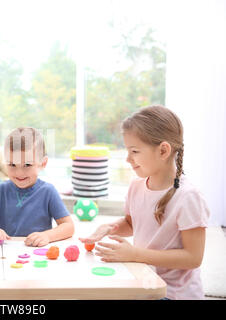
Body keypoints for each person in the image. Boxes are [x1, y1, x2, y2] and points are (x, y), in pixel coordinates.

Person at [79, 105, 210, 300]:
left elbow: (193, 258)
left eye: (135, 151)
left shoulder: (188, 197)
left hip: (173, 294)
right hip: (144, 281)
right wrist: (109, 227)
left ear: (163, 150)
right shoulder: (136, 186)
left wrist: (135, 254)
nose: (128, 159)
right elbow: (133, 223)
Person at [0, 127, 74, 247]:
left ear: (43, 163)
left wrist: (47, 236)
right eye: (12, 164)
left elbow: (68, 227)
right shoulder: (1, 190)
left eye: (27, 165)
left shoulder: (48, 192)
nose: (19, 173)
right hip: (6, 251)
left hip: (36, 252)